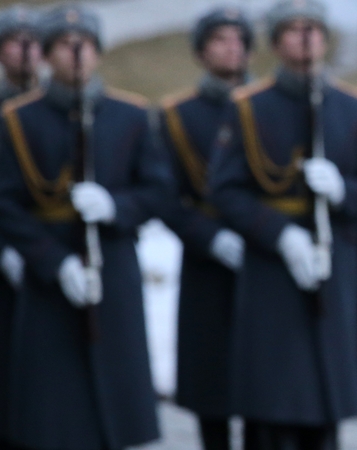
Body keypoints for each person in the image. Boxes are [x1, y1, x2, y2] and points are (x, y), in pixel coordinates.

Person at [206, 1, 357, 449]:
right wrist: (280, 234)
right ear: (274, 42)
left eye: (314, 29)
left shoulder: (356, 108)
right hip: (272, 268)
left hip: (335, 260)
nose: (305, 37)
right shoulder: (248, 108)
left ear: (326, 39)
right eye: (293, 29)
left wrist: (343, 191)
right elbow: (225, 190)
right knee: (271, 401)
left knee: (324, 400)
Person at [0, 4, 165, 449]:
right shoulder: (17, 119)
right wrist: (53, 262)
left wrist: (116, 207)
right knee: (50, 411)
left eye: (86, 46)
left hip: (112, 264)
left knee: (117, 400)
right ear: (47, 54)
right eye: (65, 46)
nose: (77, 54)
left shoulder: (130, 115)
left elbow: (158, 190)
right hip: (49, 270)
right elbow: (6, 201)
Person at [157, 6, 254, 450]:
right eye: (219, 39)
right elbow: (164, 194)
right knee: (210, 378)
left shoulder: (265, 106)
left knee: (265, 382)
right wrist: (210, 237)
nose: (231, 47)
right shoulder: (177, 114)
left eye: (239, 39)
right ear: (200, 52)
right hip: (206, 257)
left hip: (264, 254)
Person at [0, 5, 40, 449]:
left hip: (44, 253)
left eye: (34, 43)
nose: (26, 52)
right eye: (16, 42)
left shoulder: (55, 109)